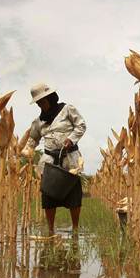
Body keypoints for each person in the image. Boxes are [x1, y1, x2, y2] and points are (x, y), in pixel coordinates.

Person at [21, 82, 86, 235]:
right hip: (49, 161)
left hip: (70, 159)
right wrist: (26, 151)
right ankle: (51, 230)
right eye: (38, 103)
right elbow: (32, 140)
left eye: (42, 101)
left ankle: (75, 229)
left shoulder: (67, 109)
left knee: (73, 195)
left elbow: (81, 125)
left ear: (51, 98)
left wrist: (71, 139)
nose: (41, 105)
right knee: (48, 197)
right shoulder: (38, 122)